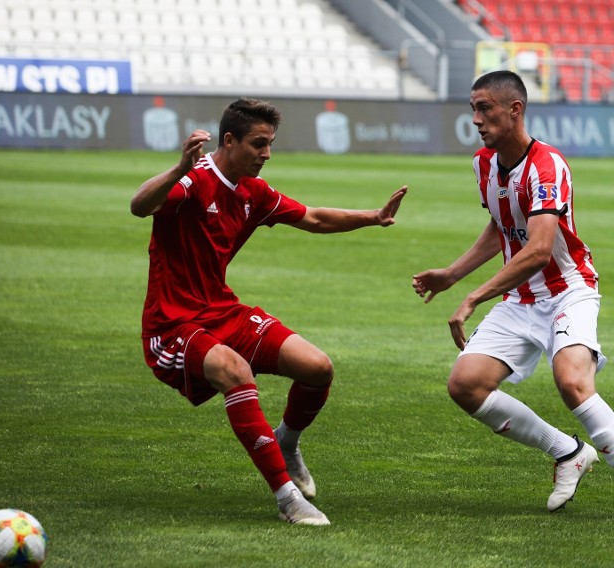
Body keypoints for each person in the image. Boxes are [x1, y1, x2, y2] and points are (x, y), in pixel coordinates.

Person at [131, 97, 407, 526]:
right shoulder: (193, 181)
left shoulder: (253, 193)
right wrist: (178, 169)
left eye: (270, 143)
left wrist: (372, 216)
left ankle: (287, 441)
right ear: (229, 140)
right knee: (236, 371)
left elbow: (313, 218)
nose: (267, 154)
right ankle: (287, 498)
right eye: (259, 144)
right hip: (173, 323)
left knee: (317, 368)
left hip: (222, 311)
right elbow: (139, 205)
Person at [411, 71, 614, 527]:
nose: (476, 118)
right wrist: (451, 275)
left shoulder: (548, 166)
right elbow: (502, 225)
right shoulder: (483, 164)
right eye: (473, 108)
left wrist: (474, 296)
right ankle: (567, 452)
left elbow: (539, 249)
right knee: (465, 385)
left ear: (515, 110)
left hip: (568, 290)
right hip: (521, 297)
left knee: (571, 382)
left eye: (485, 108)